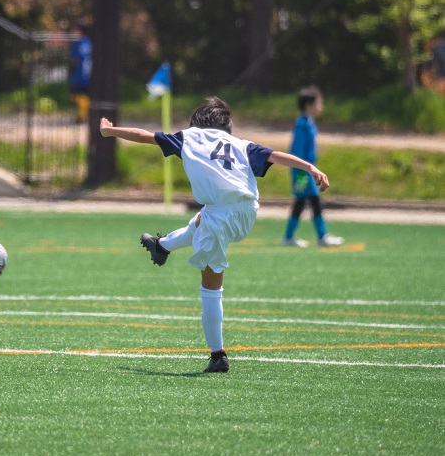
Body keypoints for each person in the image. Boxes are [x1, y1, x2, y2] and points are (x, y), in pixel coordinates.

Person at [99, 97, 332, 373]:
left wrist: (109, 131)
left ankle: (218, 354)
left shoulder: (190, 137)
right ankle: (161, 246)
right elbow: (275, 155)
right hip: (247, 212)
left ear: (197, 122)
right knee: (202, 219)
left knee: (210, 289)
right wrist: (310, 167)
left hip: (220, 217)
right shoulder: (241, 144)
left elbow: (143, 135)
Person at [282, 86, 344, 248]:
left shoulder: (308, 122)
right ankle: (322, 236)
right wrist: (303, 167)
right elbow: (297, 150)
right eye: (318, 103)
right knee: (313, 199)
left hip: (306, 170)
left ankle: (289, 236)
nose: (320, 106)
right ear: (308, 105)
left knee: (301, 201)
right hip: (303, 172)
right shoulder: (302, 124)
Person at [69, 21, 92, 124]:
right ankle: (82, 115)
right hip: (85, 74)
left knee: (79, 95)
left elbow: (75, 59)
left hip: (80, 75)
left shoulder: (79, 43)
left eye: (76, 30)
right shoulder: (88, 42)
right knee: (79, 96)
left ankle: (82, 116)